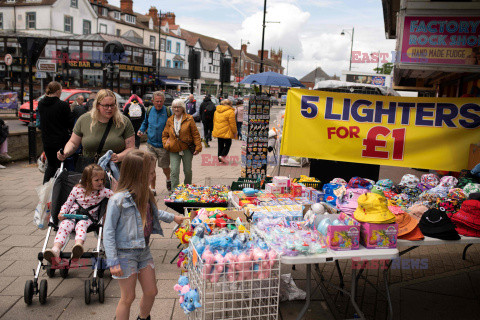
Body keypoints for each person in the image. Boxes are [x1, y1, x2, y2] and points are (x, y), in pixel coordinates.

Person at [103, 150, 185, 320]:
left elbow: (154, 213)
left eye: (153, 172)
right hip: (124, 254)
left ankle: (143, 317)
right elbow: (108, 232)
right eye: (150, 173)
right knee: (128, 297)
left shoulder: (145, 193)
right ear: (136, 174)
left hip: (143, 251)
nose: (153, 176)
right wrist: (112, 261)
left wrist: (175, 218)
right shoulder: (117, 200)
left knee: (151, 291)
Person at [43, 164, 113, 263]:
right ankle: (55, 250)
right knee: (63, 226)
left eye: (102, 179)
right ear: (87, 181)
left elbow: (116, 196)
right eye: (97, 180)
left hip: (87, 218)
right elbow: (67, 203)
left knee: (81, 226)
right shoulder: (77, 190)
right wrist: (62, 212)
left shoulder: (103, 191)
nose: (101, 182)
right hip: (71, 216)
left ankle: (78, 247)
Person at [57, 89, 135, 172]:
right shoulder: (84, 119)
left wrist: (118, 157)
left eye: (112, 105)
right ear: (97, 105)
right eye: (106, 105)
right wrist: (65, 153)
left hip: (115, 172)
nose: (109, 108)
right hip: (89, 171)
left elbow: (131, 148)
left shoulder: (124, 122)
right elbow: (73, 142)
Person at [38, 81, 74, 183]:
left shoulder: (41, 104)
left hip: (47, 140)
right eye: (61, 91)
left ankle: (46, 189)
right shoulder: (62, 105)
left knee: (51, 165)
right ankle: (58, 190)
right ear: (58, 91)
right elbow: (70, 123)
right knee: (61, 166)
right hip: (60, 140)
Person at [162, 99, 202, 190]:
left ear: (182, 108)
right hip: (174, 149)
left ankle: (187, 188)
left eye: (178, 107)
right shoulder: (170, 120)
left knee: (187, 171)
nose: (176, 109)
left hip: (186, 148)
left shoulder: (189, 118)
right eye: (174, 107)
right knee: (174, 171)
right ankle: (175, 190)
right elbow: (164, 135)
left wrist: (198, 147)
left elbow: (195, 134)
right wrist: (166, 144)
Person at [138, 91, 172, 192]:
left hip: (163, 146)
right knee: (151, 169)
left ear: (164, 101)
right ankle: (153, 189)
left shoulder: (168, 111)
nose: (159, 103)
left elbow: (172, 126)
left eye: (161, 101)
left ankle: (168, 178)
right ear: (153, 101)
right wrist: (141, 130)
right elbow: (145, 123)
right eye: (157, 101)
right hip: (151, 145)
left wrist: (170, 138)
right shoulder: (149, 110)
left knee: (165, 168)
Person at [212, 99, 237, 164]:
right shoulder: (230, 111)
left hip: (218, 130)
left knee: (220, 145)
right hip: (227, 131)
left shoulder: (216, 111)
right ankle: (222, 156)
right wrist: (234, 132)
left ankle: (220, 159)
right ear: (230, 104)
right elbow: (232, 124)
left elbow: (214, 121)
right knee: (228, 144)